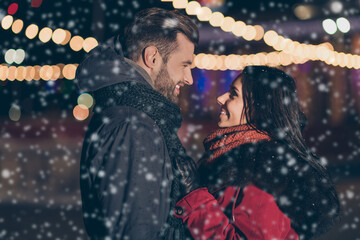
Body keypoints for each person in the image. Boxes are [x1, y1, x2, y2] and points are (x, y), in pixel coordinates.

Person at [174, 66, 340, 240]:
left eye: (233, 94)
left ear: (258, 108)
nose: (219, 98)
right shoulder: (236, 156)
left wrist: (195, 199)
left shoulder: (265, 167)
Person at [75, 8, 199, 239]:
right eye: (184, 64)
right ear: (152, 57)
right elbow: (134, 231)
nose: (189, 78)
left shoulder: (140, 114)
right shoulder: (133, 126)